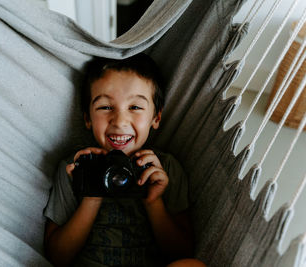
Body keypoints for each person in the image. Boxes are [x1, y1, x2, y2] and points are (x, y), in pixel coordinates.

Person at [43, 54, 206, 267]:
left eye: (135, 107)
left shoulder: (163, 168)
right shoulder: (75, 168)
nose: (120, 121)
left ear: (156, 118)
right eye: (105, 107)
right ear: (87, 118)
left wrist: (153, 201)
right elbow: (56, 257)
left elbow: (181, 252)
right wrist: (91, 196)